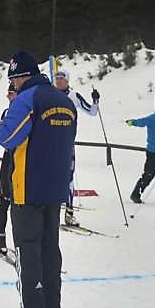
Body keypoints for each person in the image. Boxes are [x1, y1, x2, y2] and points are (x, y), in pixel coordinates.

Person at [0, 51, 76, 308]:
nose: (15, 86)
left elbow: (11, 136)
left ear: (21, 76)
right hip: (56, 184)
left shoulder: (28, 98)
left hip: (28, 185)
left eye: (14, 80)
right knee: (50, 247)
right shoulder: (63, 100)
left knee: (27, 249)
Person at [53, 68, 98, 227]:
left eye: (62, 78)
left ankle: (69, 213)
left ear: (67, 80)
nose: (58, 80)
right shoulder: (49, 94)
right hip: (50, 143)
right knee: (50, 177)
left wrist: (96, 101)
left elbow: (92, 112)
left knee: (68, 178)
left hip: (67, 143)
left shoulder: (74, 96)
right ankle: (51, 213)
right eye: (57, 78)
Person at [0, 83, 18, 255]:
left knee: (20, 203)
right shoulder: (7, 113)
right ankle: (0, 236)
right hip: (9, 159)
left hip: (23, 161)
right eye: (8, 94)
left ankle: (21, 241)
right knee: (5, 199)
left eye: (12, 93)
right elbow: (2, 136)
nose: (10, 97)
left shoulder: (28, 111)